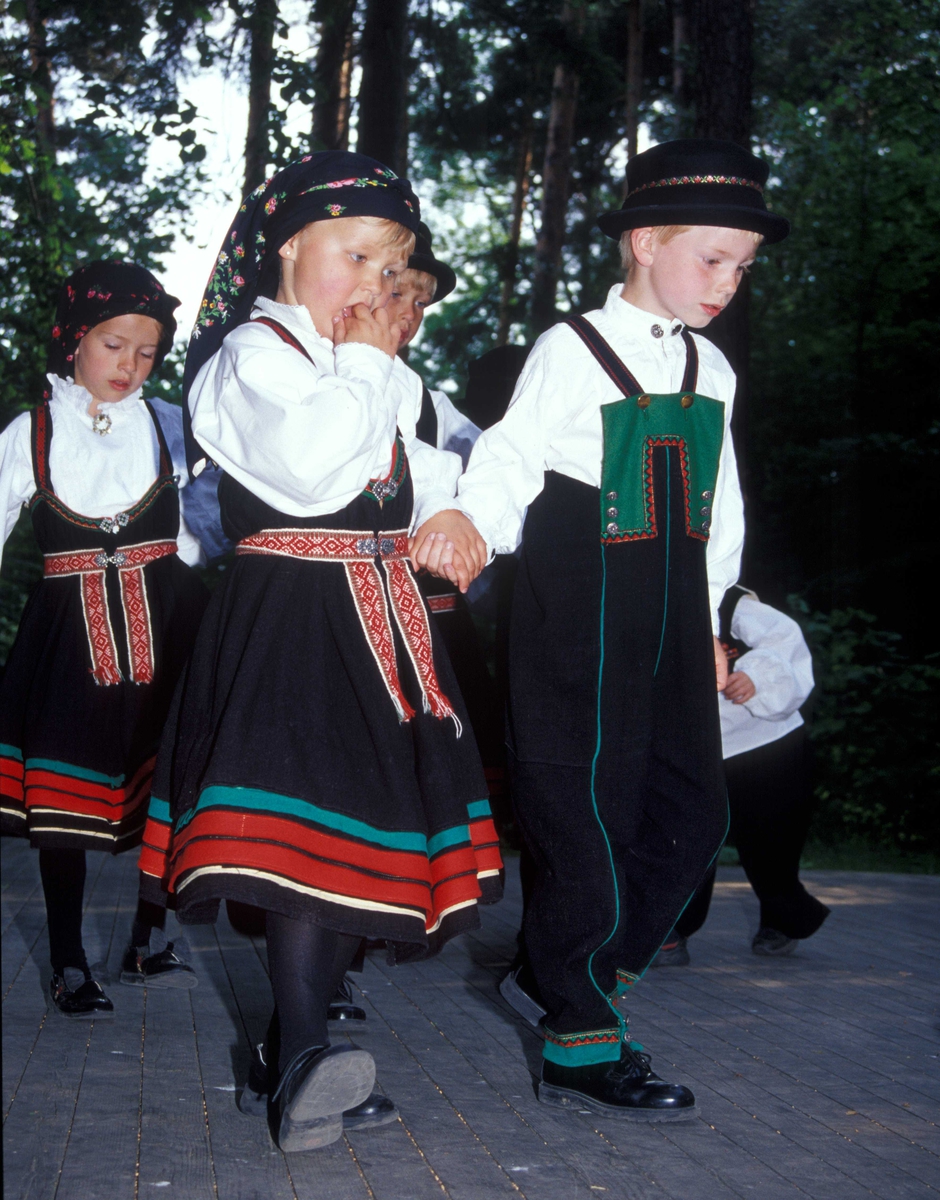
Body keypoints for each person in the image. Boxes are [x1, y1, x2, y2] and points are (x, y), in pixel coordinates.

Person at [136, 152, 502, 1153]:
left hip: (381, 618)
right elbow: (305, 474)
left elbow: (443, 465)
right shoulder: (250, 358)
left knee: (363, 833)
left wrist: (464, 515)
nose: (377, 289)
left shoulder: (379, 368)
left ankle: (289, 1051)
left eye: (394, 271)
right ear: (291, 245)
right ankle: (301, 1054)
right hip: (294, 617)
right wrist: (374, 359)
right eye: (356, 257)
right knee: (306, 841)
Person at [419, 139, 790, 1120]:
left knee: (690, 816)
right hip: (579, 605)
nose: (727, 283)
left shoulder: (711, 368)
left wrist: (712, 619)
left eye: (741, 267)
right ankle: (581, 1041)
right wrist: (470, 522)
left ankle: (566, 977)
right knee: (581, 810)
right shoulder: (571, 348)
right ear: (640, 241)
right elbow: (509, 457)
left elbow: (721, 509)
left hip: (670, 608)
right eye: (710, 258)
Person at [0, 263, 211, 1018]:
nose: (129, 366)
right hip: (69, 637)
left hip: (167, 620)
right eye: (113, 344)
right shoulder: (34, 430)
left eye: (147, 353)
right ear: (74, 341)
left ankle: (148, 937)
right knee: (66, 798)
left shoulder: (168, 427)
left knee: (169, 780)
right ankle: (66, 961)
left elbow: (196, 534)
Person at [653, 585, 829, 965]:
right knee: (687, 837)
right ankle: (673, 927)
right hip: (696, 748)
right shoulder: (648, 599)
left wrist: (756, 676)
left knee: (772, 843)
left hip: (766, 743)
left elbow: (786, 642)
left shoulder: (732, 604)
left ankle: (783, 919)